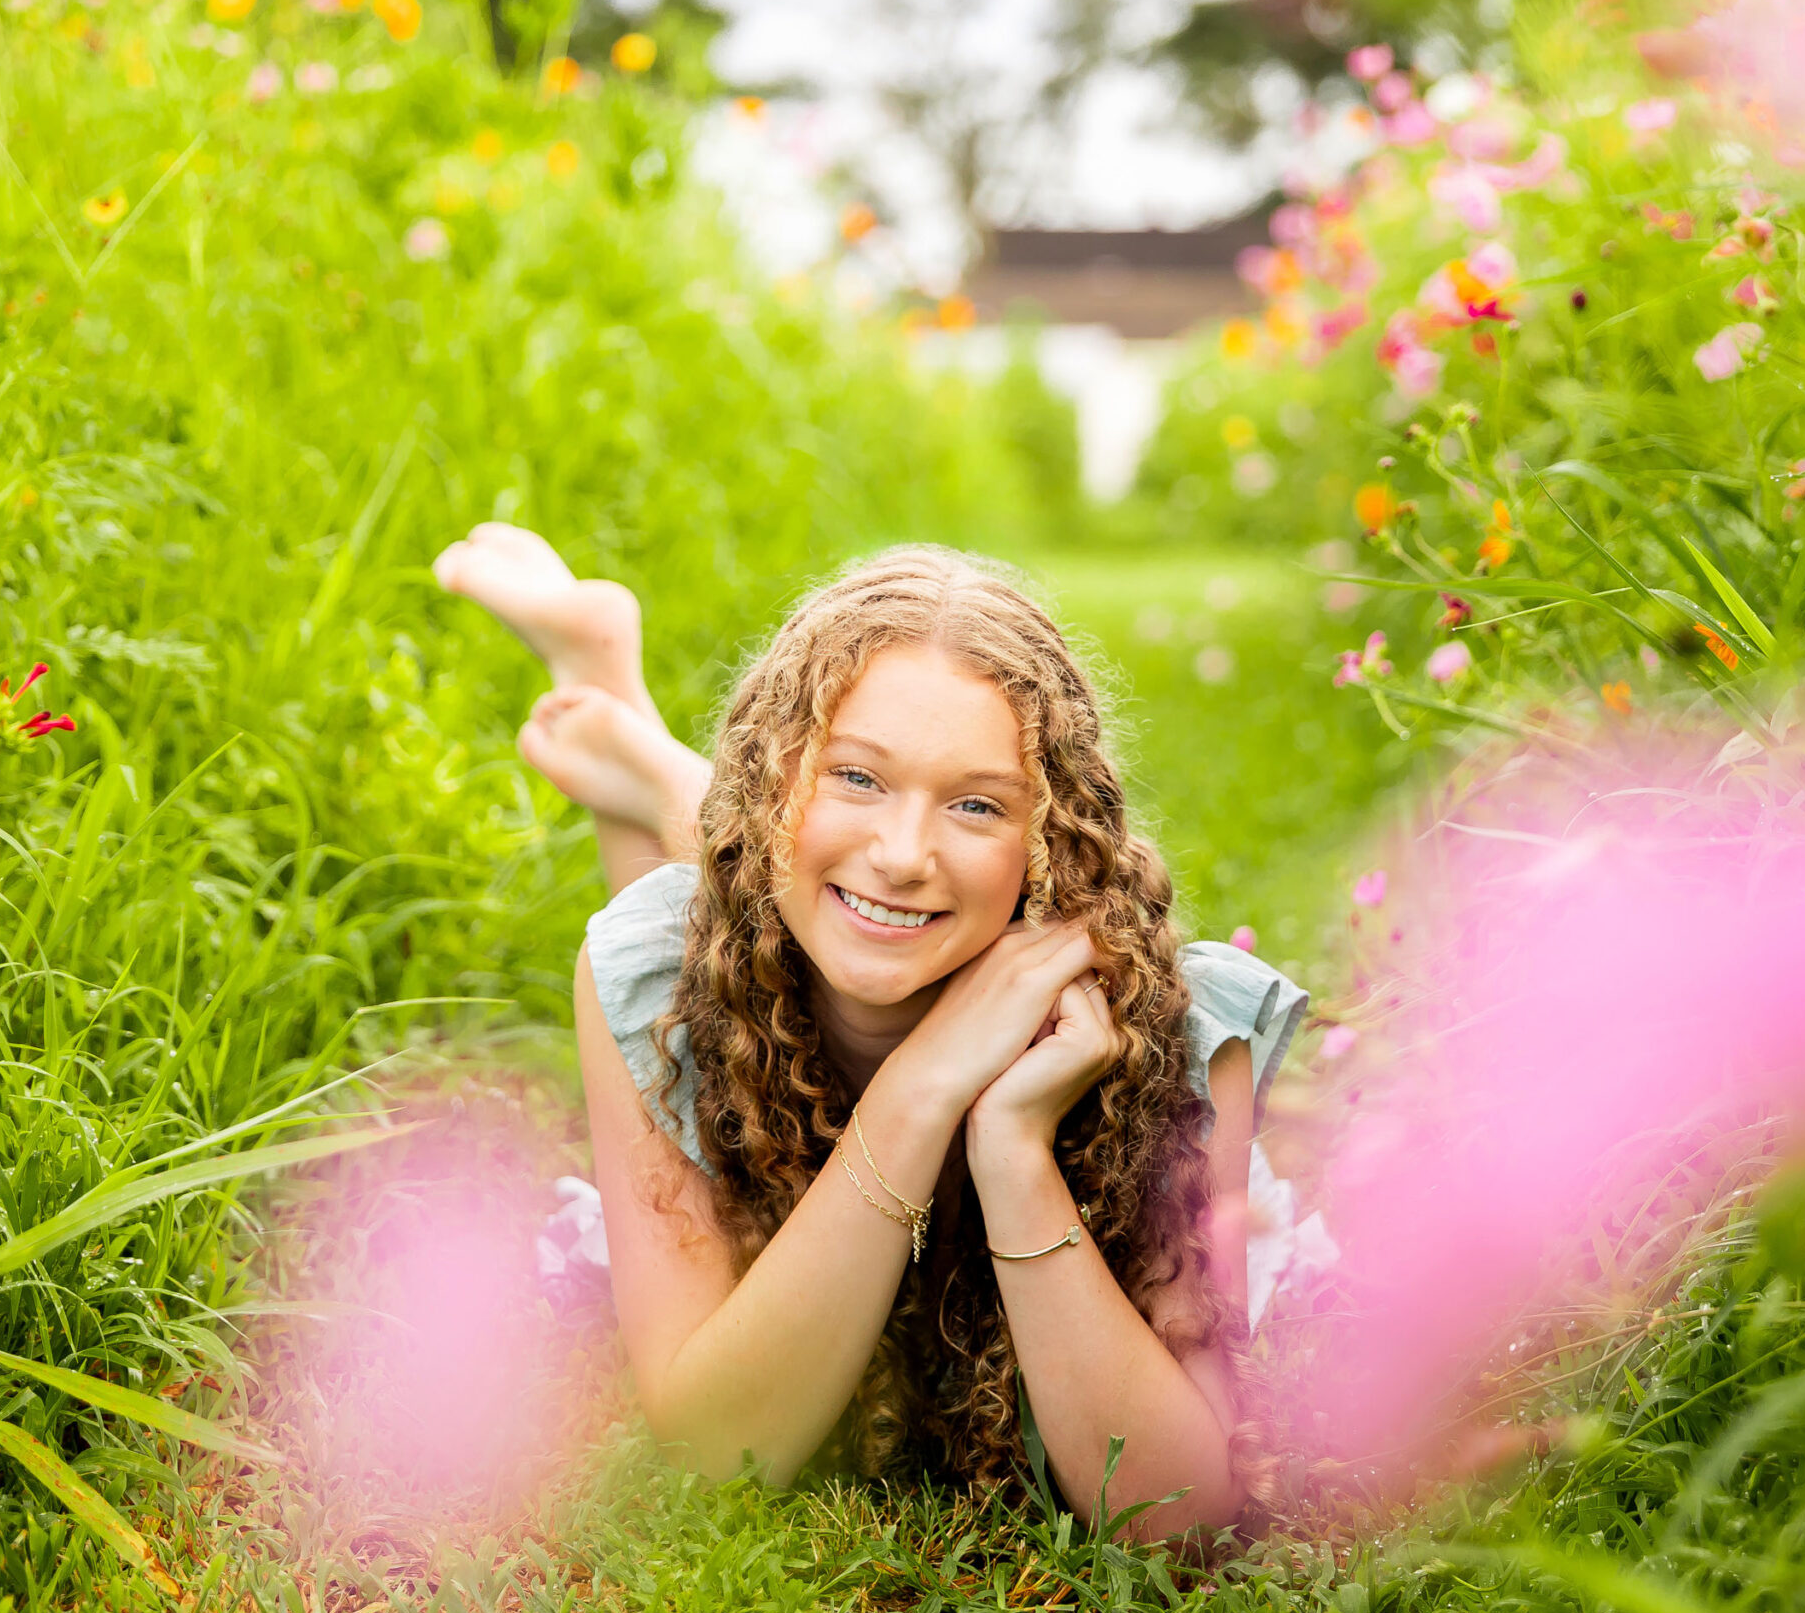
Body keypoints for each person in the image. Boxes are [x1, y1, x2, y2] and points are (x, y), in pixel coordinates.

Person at [435, 523, 1310, 1537]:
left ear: (1049, 845)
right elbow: (718, 1449)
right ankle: (633, 730)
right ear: (777, 773)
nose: (902, 852)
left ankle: (652, 759)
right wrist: (922, 1086)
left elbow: (1178, 1519)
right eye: (854, 775)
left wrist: (1013, 1146)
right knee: (729, 930)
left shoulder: (1164, 1040)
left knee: (815, 889)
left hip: (860, 919)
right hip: (764, 899)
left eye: (979, 805)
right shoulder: (645, 968)